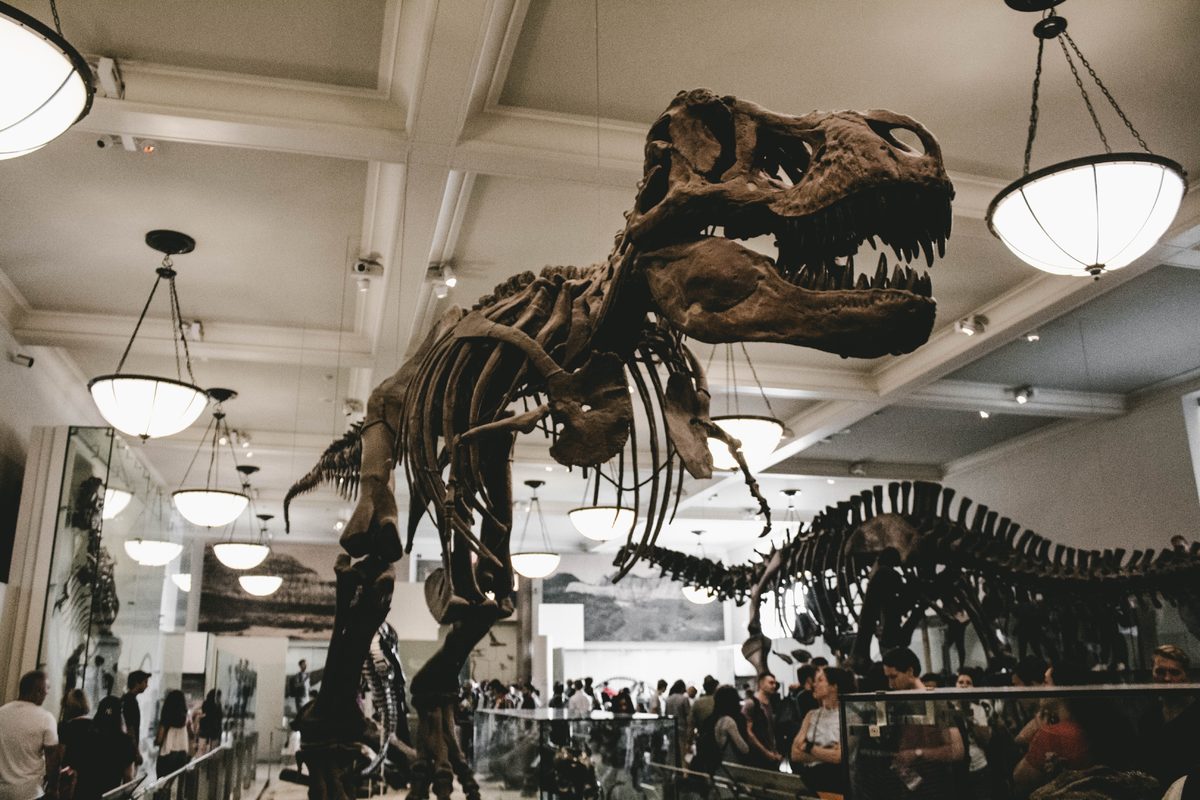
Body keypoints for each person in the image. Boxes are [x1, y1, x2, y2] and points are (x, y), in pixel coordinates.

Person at [883, 648, 965, 798]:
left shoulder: (936, 702)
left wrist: (917, 754)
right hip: (911, 786)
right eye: (888, 678)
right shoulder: (900, 703)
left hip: (936, 787)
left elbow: (957, 750)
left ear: (910, 671)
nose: (890, 684)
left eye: (894, 677)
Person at [1137, 645, 1200, 788]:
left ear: (1186, 676)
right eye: (1160, 672)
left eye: (1174, 672)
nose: (1167, 678)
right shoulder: (1148, 718)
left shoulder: (1197, 713)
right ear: (1152, 674)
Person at [790, 667, 855, 795]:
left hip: (836, 783)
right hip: (811, 780)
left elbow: (839, 756)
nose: (814, 684)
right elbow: (794, 754)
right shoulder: (811, 715)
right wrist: (827, 752)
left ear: (834, 686)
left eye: (820, 680)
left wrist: (808, 747)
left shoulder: (849, 715)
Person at [0, 670, 60, 800]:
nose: (47, 694)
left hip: (3, 792)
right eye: (46, 690)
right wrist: (53, 788)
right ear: (38, 692)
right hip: (30, 793)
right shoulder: (46, 718)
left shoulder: (2, 712)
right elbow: (52, 759)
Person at [956, 667, 995, 800]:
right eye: (961, 682)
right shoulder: (950, 709)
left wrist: (970, 719)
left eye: (968, 683)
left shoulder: (978, 710)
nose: (964, 685)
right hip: (959, 769)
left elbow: (985, 740)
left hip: (979, 766)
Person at [692, 685, 750, 773]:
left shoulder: (709, 720)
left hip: (713, 766)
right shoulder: (736, 720)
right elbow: (744, 749)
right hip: (733, 766)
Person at [89, 698, 137, 800]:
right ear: (120, 716)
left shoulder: (88, 736)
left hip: (85, 794)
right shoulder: (126, 743)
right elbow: (128, 778)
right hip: (111, 796)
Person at [740, 673, 783, 770]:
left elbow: (771, 731)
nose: (774, 686)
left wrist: (775, 751)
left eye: (775, 683)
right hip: (758, 756)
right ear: (761, 684)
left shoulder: (771, 704)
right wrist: (766, 752)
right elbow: (749, 733)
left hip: (771, 753)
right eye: (771, 683)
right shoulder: (751, 704)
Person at [154, 690, 191, 778]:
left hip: (167, 754)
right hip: (182, 754)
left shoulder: (166, 717)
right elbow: (190, 733)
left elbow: (159, 739)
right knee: (176, 781)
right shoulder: (185, 718)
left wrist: (156, 742)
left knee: (163, 781)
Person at [121, 670, 150, 767]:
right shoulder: (131, 701)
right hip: (128, 749)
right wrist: (136, 752)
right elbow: (130, 727)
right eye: (145, 682)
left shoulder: (126, 699)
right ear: (137, 683)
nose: (147, 685)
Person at [195, 690, 223, 755]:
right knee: (212, 749)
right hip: (213, 728)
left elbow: (204, 711)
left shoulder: (206, 703)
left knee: (202, 748)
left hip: (205, 727)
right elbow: (220, 717)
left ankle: (202, 757)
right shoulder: (217, 705)